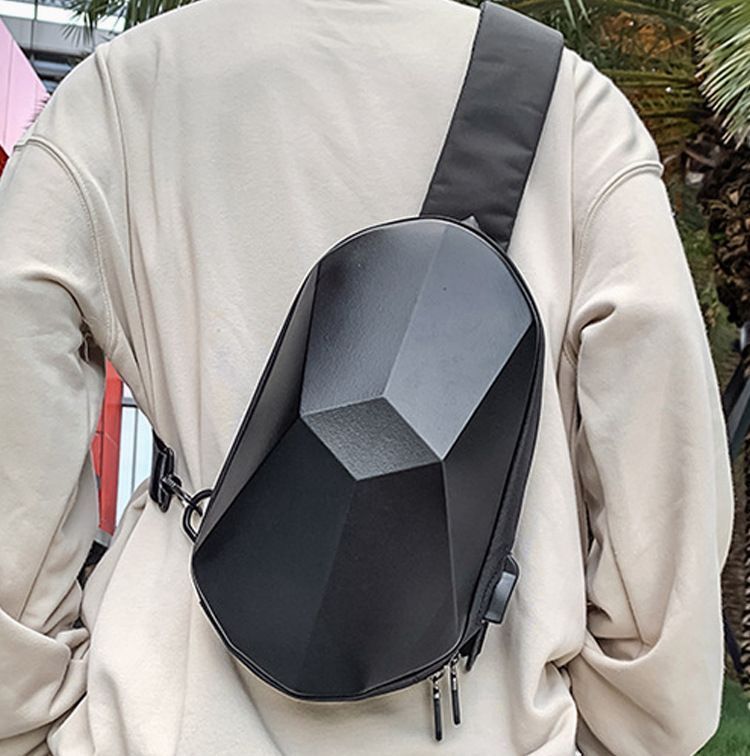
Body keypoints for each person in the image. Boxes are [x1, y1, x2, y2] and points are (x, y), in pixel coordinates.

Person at [0, 0, 734, 753]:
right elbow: (660, 462)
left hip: (160, 719)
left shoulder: (119, 94)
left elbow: (14, 418)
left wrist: (26, 708)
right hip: (484, 729)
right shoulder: (570, 110)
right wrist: (631, 728)